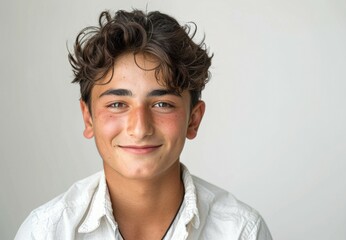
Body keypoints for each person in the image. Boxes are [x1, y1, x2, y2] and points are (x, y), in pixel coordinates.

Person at [15, 9, 272, 240]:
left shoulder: (241, 232)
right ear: (88, 118)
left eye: (162, 105)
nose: (139, 129)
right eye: (117, 104)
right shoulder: (46, 232)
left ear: (193, 120)